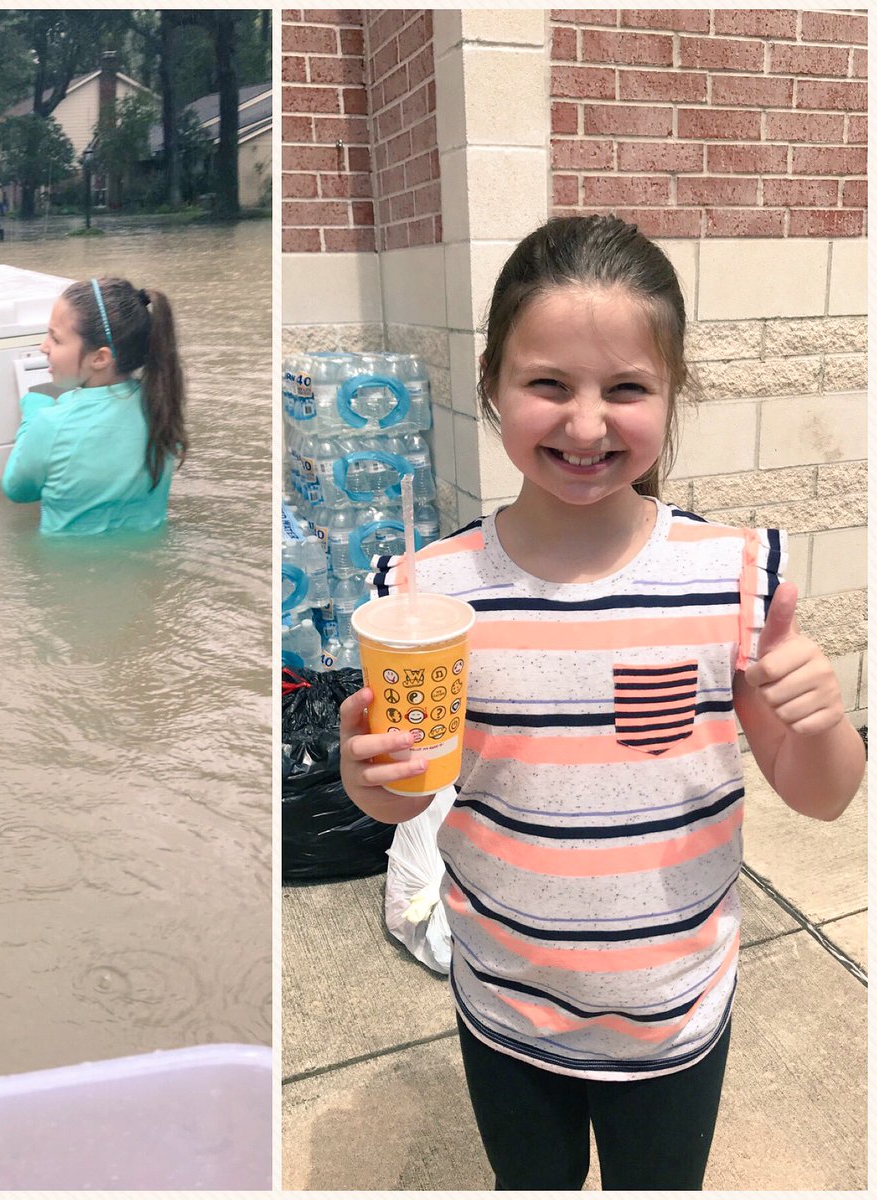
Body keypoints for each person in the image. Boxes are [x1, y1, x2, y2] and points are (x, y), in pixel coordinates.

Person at [338, 215, 864, 1191]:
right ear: (493, 383)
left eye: (626, 388)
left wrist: (823, 721)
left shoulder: (728, 577)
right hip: (504, 1002)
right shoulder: (425, 594)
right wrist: (367, 779)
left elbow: (823, 794)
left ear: (673, 395)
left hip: (674, 1009)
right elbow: (406, 800)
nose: (587, 425)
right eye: (548, 385)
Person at [1, 276, 187, 535]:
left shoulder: (49, 423)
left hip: (65, 566)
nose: (43, 347)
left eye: (55, 339)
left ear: (100, 358)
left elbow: (16, 490)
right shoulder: (161, 406)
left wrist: (31, 418)